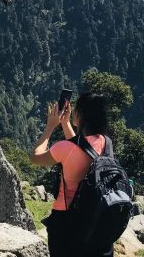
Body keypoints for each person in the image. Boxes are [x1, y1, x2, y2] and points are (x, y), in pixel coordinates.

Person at [30, 92, 114, 257]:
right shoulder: (106, 142)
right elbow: (82, 150)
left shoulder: (65, 148)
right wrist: (65, 123)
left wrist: (50, 127)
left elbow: (35, 157)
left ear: (81, 114)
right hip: (98, 222)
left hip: (67, 223)